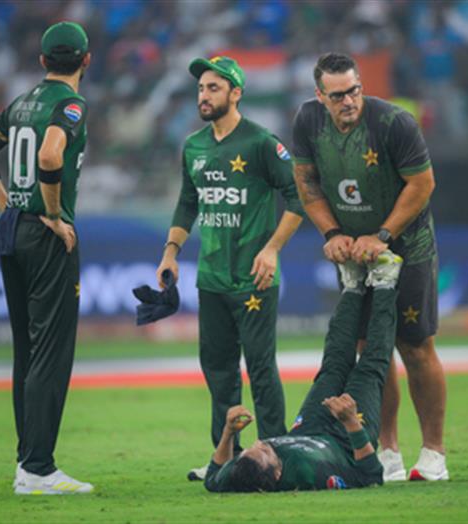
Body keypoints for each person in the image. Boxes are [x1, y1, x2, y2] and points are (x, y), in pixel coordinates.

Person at [291, 52, 447, 482]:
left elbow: (423, 184)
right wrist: (331, 233)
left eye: (354, 90)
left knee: (415, 346)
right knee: (370, 350)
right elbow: (306, 184)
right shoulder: (307, 122)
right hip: (354, 253)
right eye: (338, 95)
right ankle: (388, 450)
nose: (349, 101)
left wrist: (381, 236)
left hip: (408, 246)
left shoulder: (394, 123)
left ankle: (434, 453)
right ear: (320, 96)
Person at [155, 56, 304, 481]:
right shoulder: (194, 146)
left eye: (214, 88)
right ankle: (226, 456)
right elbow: (188, 203)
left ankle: (276, 452)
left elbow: (298, 199)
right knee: (218, 370)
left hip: (254, 278)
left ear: (236, 93)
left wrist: (272, 249)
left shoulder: (261, 143)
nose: (204, 95)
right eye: (201, 88)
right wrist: (170, 252)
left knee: (260, 368)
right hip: (212, 279)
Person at [0, 21, 93, 494]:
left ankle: (27, 463)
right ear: (86, 60)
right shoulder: (70, 104)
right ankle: (38, 469)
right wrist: (53, 216)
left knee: (27, 352)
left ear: (42, 61)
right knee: (51, 355)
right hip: (45, 237)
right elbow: (52, 155)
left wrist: (11, 208)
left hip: (13, 232)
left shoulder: (21, 103)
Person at [205, 252, 402, 492]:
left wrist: (228, 433)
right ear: (278, 474)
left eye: (250, 448)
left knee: (333, 366)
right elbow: (370, 476)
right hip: (345, 439)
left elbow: (212, 477)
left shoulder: (238, 472)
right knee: (370, 368)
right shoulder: (309, 473)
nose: (259, 444)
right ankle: (385, 283)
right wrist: (351, 423)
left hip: (309, 425)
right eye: (264, 452)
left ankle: (352, 285)